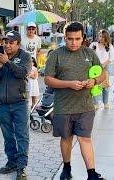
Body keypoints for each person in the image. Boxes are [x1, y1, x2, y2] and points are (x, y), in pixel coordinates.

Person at [44, 22, 106, 180]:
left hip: (85, 106)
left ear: (82, 38)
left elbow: (103, 74)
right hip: (63, 107)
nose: (73, 42)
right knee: (66, 139)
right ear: (65, 37)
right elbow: (48, 80)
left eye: (77, 38)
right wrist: (69, 84)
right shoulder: (56, 55)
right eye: (70, 39)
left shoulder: (89, 54)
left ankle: (92, 174)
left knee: (85, 139)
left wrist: (95, 81)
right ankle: (66, 168)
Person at [0, 31, 31, 180]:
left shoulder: (25, 56)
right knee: (8, 136)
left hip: (20, 103)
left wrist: (7, 63)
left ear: (18, 44)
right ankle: (11, 162)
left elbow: (22, 73)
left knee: (22, 135)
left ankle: (21, 167)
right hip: (3, 104)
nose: (7, 45)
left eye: (11, 42)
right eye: (5, 42)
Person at [89, 29, 114, 109]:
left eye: (102, 37)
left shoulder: (109, 46)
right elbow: (89, 54)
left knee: (105, 86)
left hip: (104, 67)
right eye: (99, 36)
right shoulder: (93, 44)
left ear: (106, 37)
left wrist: (103, 64)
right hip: (94, 68)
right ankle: (95, 104)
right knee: (95, 85)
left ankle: (105, 102)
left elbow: (111, 58)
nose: (100, 38)